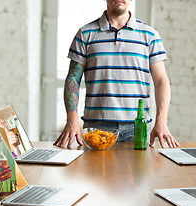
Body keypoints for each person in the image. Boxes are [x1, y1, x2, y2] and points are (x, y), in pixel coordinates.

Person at [54, 0, 179, 149]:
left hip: (137, 127)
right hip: (96, 127)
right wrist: (72, 118)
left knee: (138, 172)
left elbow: (161, 81)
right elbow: (73, 78)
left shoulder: (150, 35)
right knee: (93, 172)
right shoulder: (85, 34)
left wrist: (161, 121)